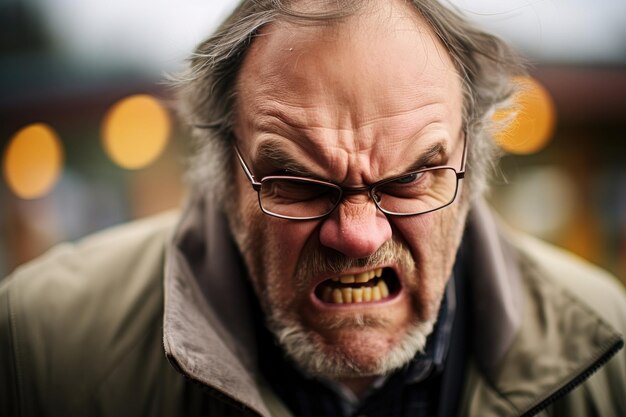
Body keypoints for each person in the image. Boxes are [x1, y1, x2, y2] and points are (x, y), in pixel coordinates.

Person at [1, 0, 625, 416]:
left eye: (410, 178)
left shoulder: (611, 348)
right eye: (298, 183)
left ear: (472, 163)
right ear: (225, 173)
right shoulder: (37, 347)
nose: (357, 236)